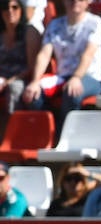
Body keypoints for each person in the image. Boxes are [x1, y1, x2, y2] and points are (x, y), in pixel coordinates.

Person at [20, 0, 101, 130]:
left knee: (72, 92)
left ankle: (64, 136)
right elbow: (44, 54)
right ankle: (47, 133)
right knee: (33, 94)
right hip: (62, 76)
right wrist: (35, 81)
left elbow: (88, 55)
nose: (75, 2)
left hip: (89, 77)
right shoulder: (54, 25)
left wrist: (76, 77)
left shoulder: (95, 22)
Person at [0, 0, 39, 135]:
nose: (10, 11)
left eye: (14, 7)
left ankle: (13, 136)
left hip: (22, 77)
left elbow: (32, 67)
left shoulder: (30, 32)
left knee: (14, 88)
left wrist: (8, 81)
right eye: (5, 7)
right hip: (1, 78)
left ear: (21, 10)